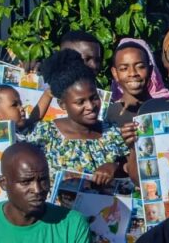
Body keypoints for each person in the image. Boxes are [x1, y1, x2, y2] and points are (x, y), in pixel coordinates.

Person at [24, 49, 130, 185]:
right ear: (62, 104)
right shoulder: (45, 134)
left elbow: (131, 170)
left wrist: (115, 167)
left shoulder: (112, 132)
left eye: (94, 98)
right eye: (80, 102)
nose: (90, 106)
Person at [105, 38, 168, 127]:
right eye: (124, 69)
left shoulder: (166, 109)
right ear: (115, 73)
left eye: (140, 67)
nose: (133, 73)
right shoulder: (107, 115)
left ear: (150, 70)